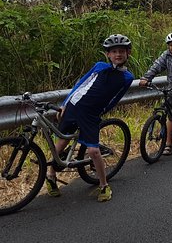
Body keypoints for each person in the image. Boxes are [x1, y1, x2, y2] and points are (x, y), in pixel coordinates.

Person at [45, 34, 134, 202]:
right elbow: (80, 84)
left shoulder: (127, 77)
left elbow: (116, 98)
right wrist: (64, 104)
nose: (118, 55)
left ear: (128, 53)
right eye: (114, 51)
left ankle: (103, 185)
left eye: (121, 51)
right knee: (60, 145)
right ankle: (51, 176)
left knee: (93, 150)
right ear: (108, 54)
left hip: (91, 113)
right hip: (73, 107)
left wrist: (102, 111)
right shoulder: (99, 66)